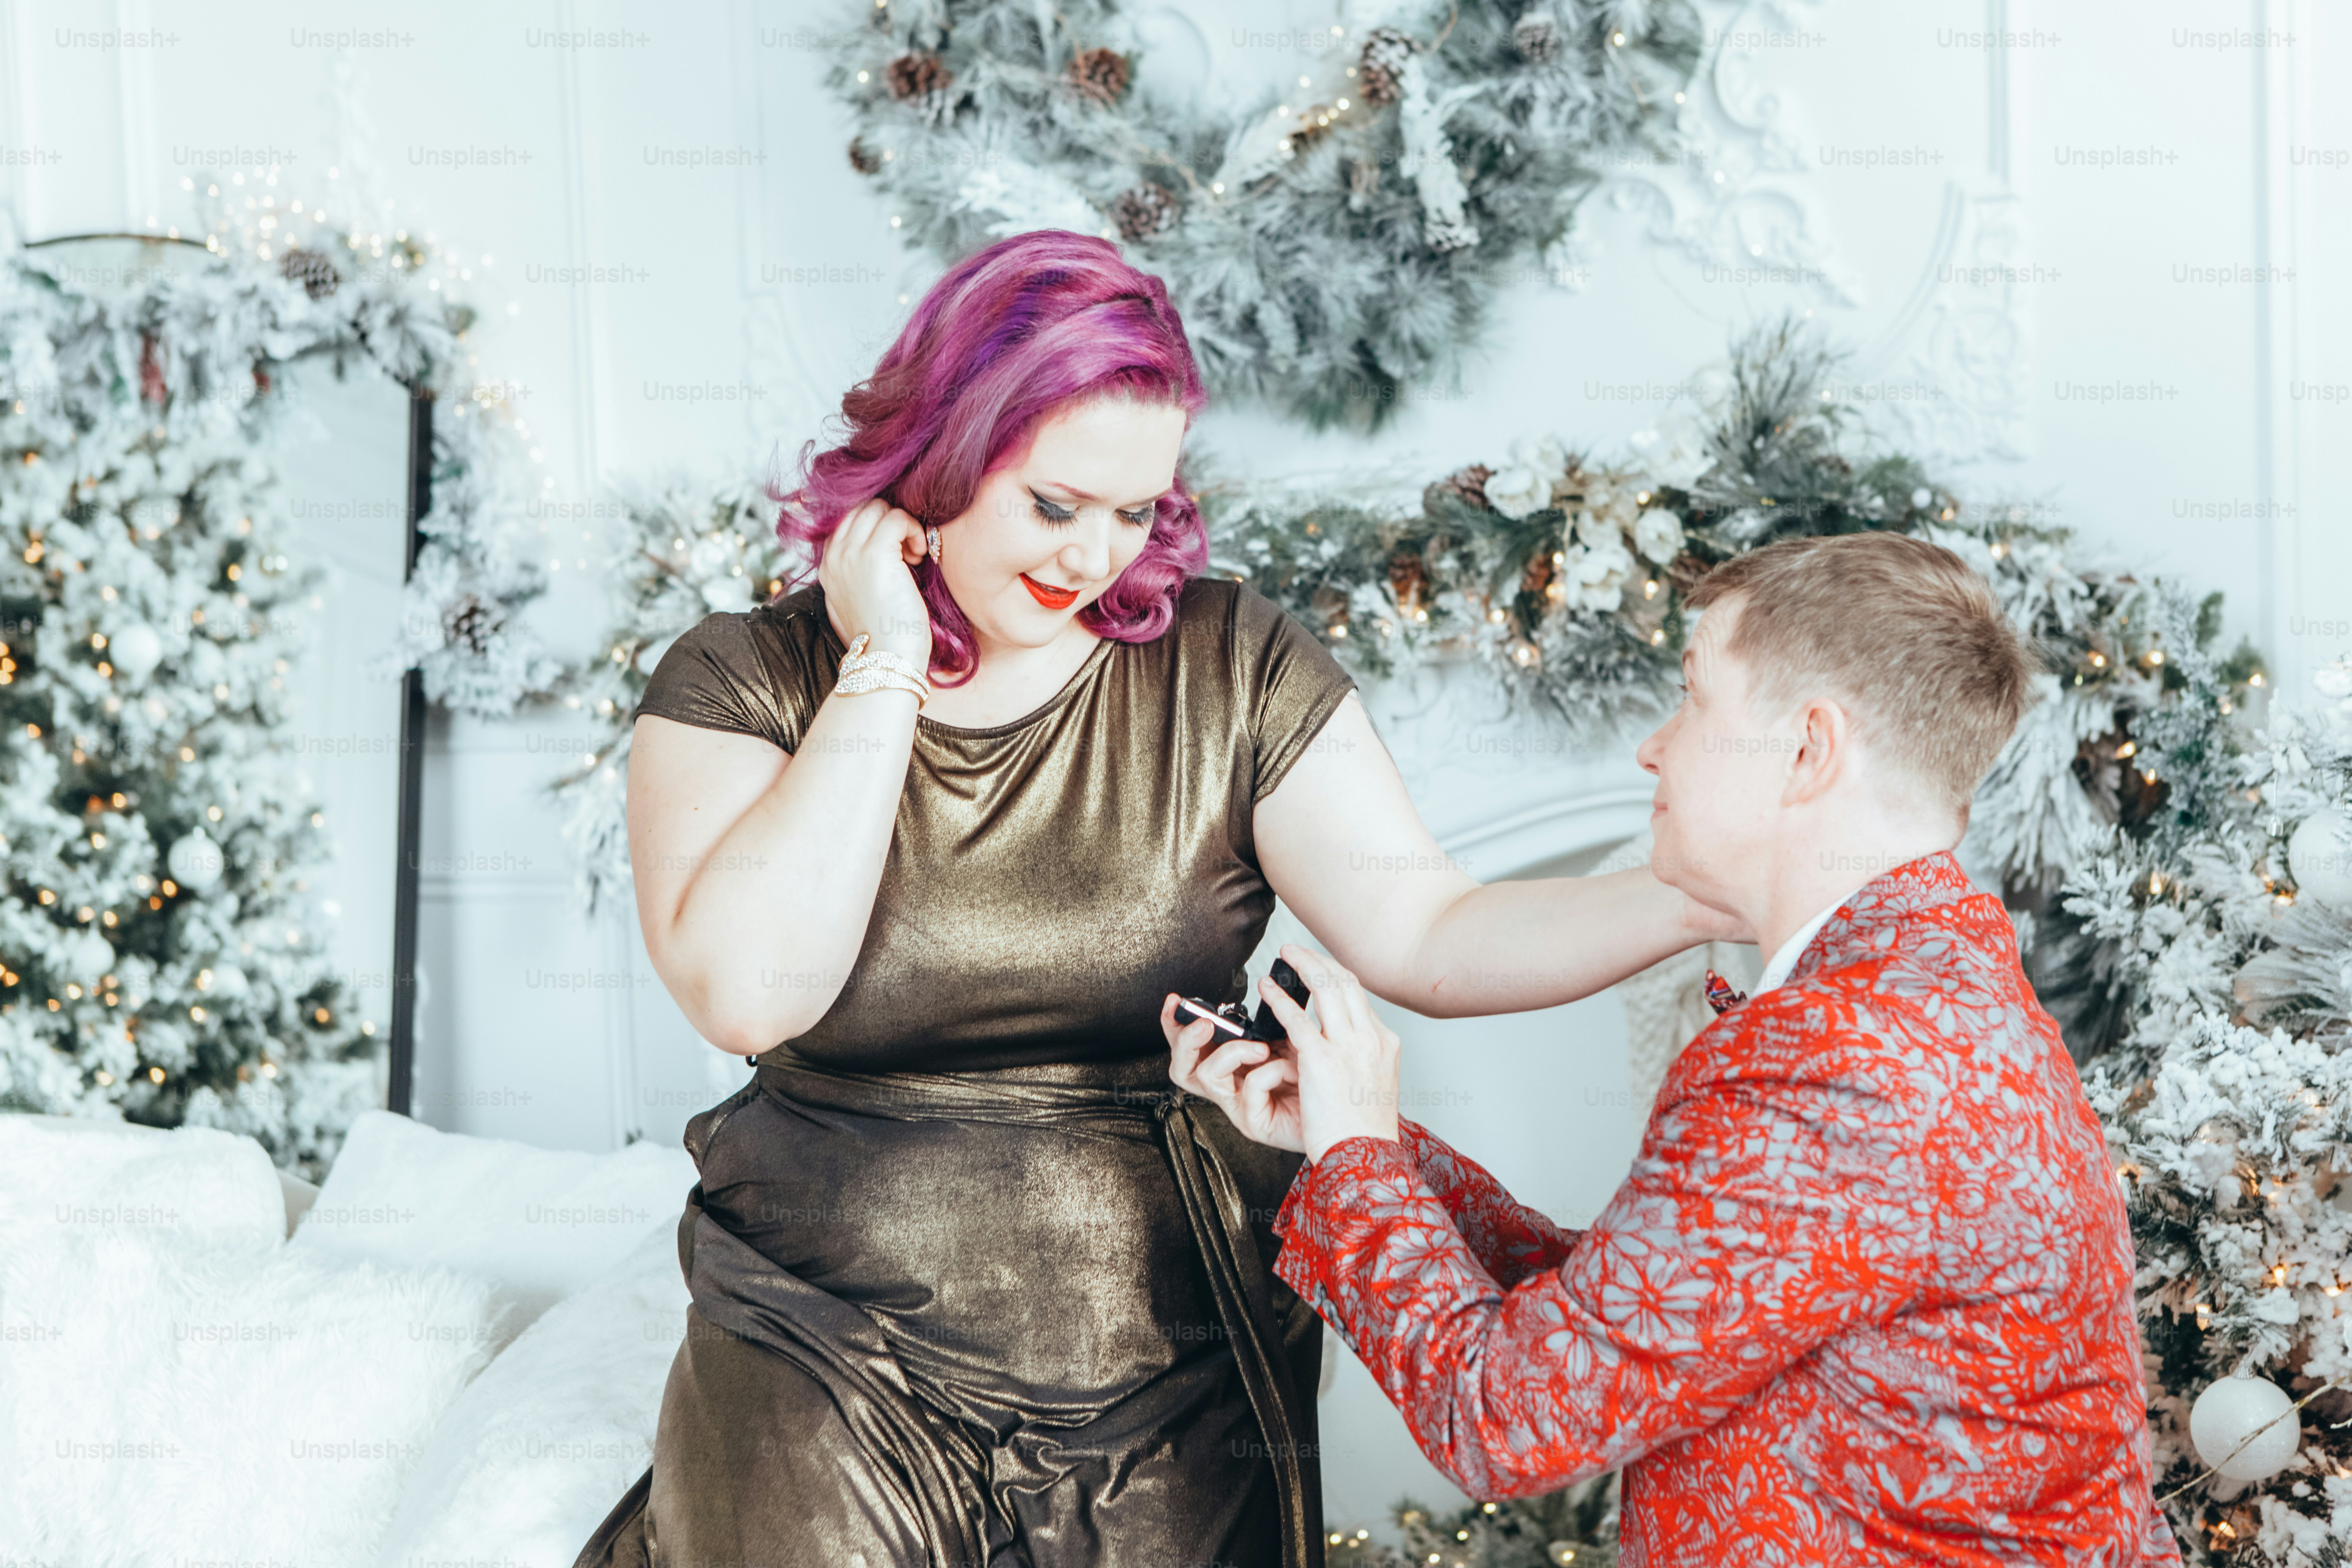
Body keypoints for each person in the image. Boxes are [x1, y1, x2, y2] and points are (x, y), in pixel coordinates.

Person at [572, 229, 1741, 1568]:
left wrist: (1700, 895)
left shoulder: (1226, 661)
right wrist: (885, 665)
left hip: (1159, 1329)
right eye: (1054, 505)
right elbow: (748, 991)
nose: (1091, 559)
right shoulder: (746, 680)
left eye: (1134, 514)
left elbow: (1428, 928)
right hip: (821, 1321)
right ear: (940, 462)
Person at [1171, 532, 2186, 1566]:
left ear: (1806, 751)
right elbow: (1650, 1319)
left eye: (1694, 697)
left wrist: (1358, 1165)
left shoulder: (1842, 1057)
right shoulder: (1919, 992)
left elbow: (1509, 1416)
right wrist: (1354, 1132)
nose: (1652, 747)